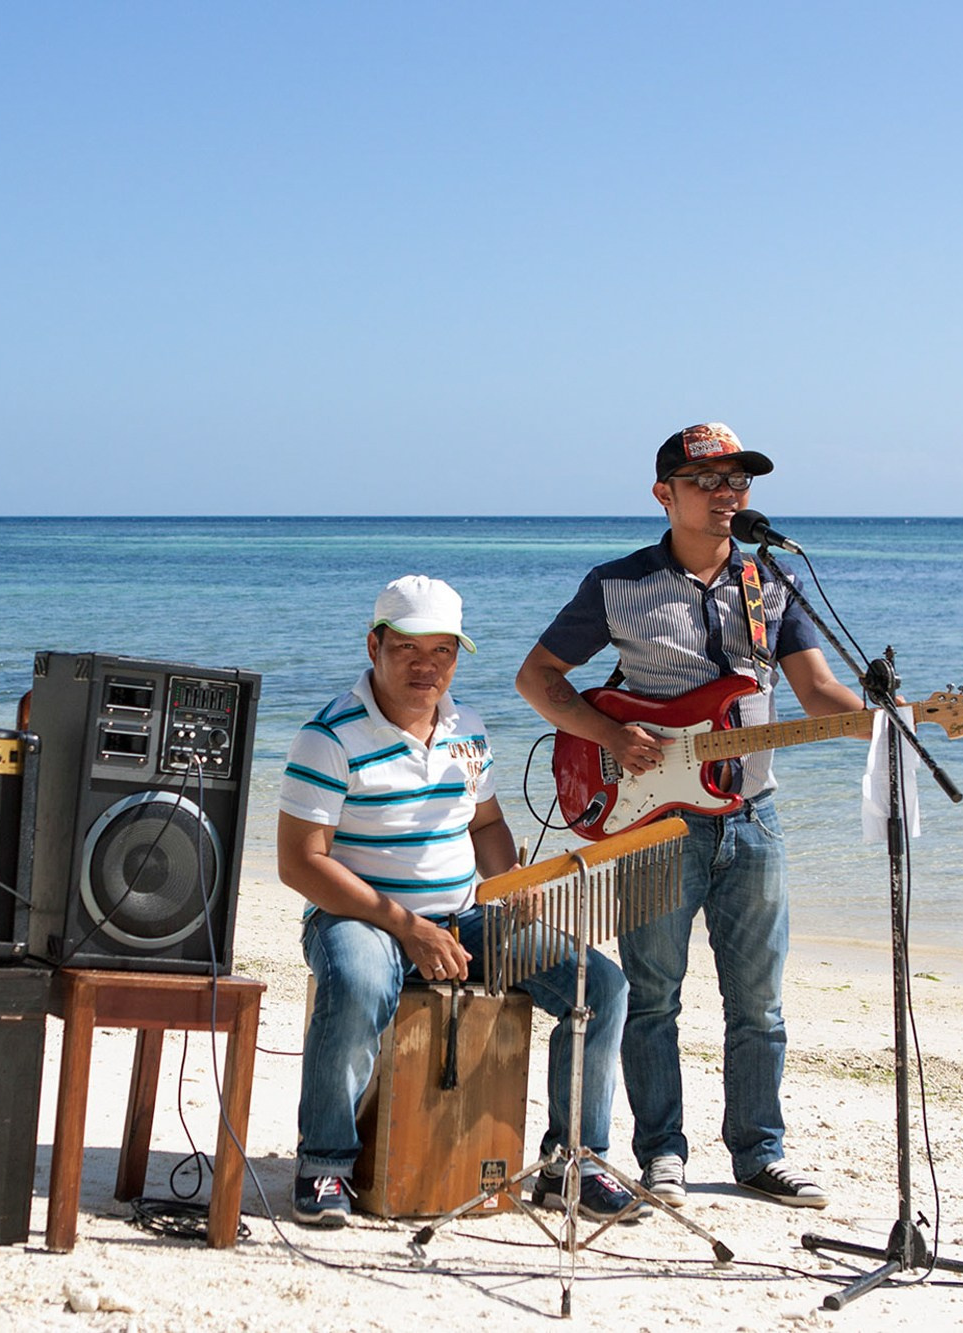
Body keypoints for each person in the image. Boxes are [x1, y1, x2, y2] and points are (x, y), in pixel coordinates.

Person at [515, 423, 865, 1211]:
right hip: (654, 821)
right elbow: (536, 678)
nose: (727, 493)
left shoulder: (771, 583)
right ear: (663, 493)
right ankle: (661, 1151)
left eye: (738, 480)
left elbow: (818, 697)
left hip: (754, 816)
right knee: (654, 995)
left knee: (760, 1002)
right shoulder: (617, 583)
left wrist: (890, 718)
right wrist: (607, 734)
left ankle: (759, 1152)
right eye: (707, 480)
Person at [280, 575, 639, 1228]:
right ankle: (324, 1163)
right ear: (374, 645)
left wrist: (511, 881)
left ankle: (573, 1165)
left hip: (465, 920)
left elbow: (487, 825)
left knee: (602, 985)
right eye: (409, 649)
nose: (427, 666)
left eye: (443, 650)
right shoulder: (327, 735)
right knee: (360, 981)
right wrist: (405, 925)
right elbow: (300, 862)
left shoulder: (467, 729)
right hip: (361, 918)